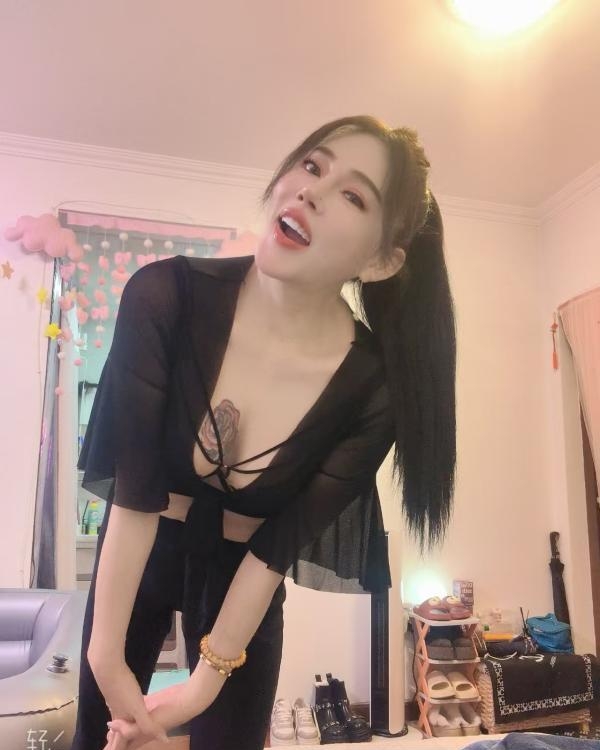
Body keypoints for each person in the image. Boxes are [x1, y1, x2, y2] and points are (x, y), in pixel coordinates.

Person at [72, 114, 456, 750]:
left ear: (381, 260)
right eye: (312, 165)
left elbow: (275, 547)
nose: (309, 191)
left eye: (352, 195)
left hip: (245, 585)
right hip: (138, 554)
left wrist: (195, 692)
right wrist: (108, 664)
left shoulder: (371, 389)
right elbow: (134, 494)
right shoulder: (164, 296)